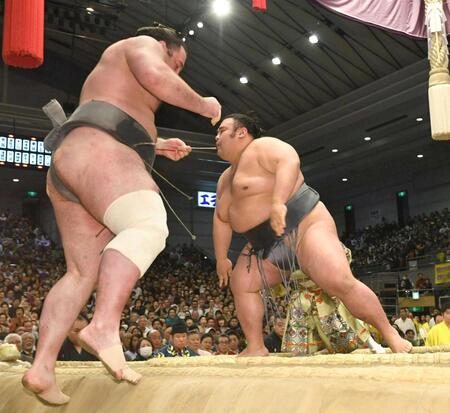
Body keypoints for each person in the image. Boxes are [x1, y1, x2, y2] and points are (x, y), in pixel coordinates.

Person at [22, 24, 221, 405]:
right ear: (165, 45)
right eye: (177, 63)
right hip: (101, 150)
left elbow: (116, 106)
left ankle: (42, 368)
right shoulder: (142, 44)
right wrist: (203, 104)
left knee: (81, 273)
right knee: (147, 224)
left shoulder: (114, 70)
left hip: (76, 158)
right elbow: (154, 74)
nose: (176, 72)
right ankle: (103, 325)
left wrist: (156, 145)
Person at [213, 113, 411, 356]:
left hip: (304, 224)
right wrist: (221, 257)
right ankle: (256, 346)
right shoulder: (224, 180)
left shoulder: (261, 147)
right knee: (242, 283)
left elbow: (289, 160)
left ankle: (390, 333)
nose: (217, 136)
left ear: (241, 132)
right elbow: (221, 219)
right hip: (265, 245)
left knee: (339, 280)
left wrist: (278, 202)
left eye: (222, 130)